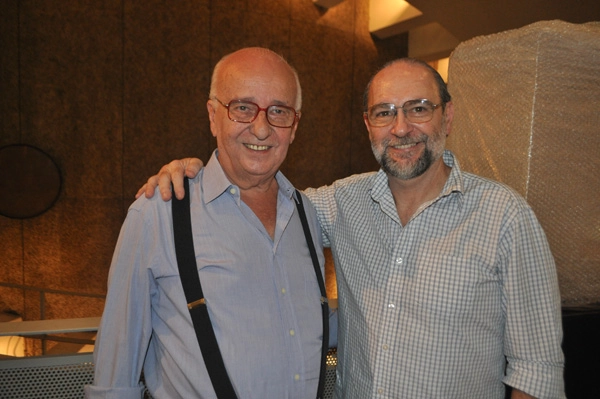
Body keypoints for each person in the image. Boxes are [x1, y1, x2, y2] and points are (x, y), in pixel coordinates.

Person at [139, 58, 565, 398]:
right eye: (385, 113)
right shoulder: (340, 203)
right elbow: (258, 198)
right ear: (368, 125)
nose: (401, 128)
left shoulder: (505, 216)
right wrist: (193, 174)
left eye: (418, 108)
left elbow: (538, 368)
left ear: (447, 117)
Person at [86, 47, 336, 399]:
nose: (261, 128)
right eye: (243, 108)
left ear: (294, 126)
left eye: (278, 111)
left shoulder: (307, 213)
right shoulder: (158, 214)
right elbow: (115, 377)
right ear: (213, 116)